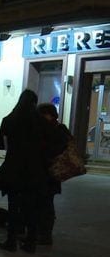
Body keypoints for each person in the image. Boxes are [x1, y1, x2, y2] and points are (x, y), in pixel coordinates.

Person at [0, 90, 54, 253]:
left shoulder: (9, 119)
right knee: (32, 207)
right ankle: (30, 241)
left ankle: (11, 240)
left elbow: (0, 144)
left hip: (13, 167)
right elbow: (50, 143)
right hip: (35, 169)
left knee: (13, 206)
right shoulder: (41, 122)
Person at [35, 102, 71, 246]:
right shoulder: (47, 129)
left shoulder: (58, 129)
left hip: (50, 172)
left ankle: (45, 235)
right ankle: (41, 233)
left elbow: (60, 148)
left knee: (46, 203)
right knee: (43, 202)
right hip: (43, 172)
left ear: (49, 115)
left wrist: (45, 152)